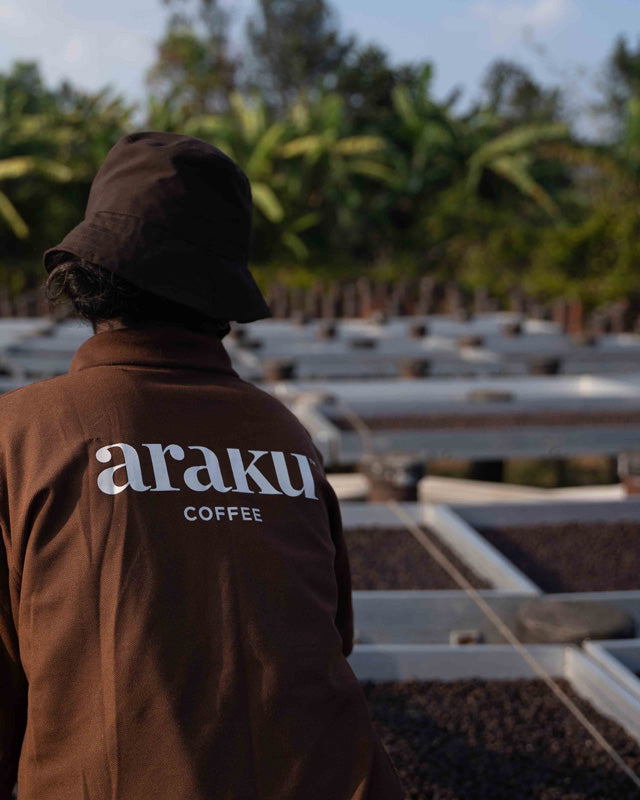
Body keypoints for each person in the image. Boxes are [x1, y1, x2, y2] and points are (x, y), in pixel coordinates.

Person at [0, 132, 404, 799]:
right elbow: (321, 645)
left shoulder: (20, 436)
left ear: (87, 280)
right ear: (222, 300)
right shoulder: (287, 437)